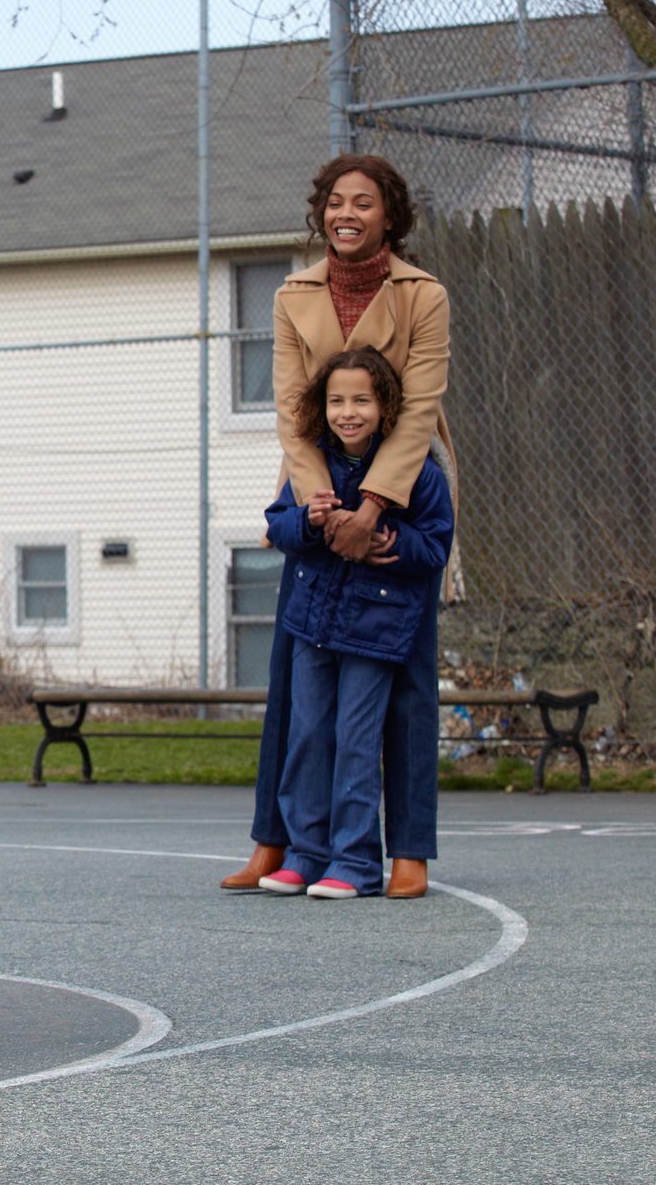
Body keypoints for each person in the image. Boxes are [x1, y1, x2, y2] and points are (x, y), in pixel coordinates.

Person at [221, 153, 456, 900]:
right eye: (334, 202)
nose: (345, 213)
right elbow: (293, 411)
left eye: (364, 202)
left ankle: (407, 849)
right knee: (298, 671)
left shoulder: (425, 295)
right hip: (319, 486)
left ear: (390, 215)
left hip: (405, 483)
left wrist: (376, 508)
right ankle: (278, 841)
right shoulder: (294, 295)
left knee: (403, 674)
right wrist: (323, 508)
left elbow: (418, 407)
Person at [255, 348, 454, 898]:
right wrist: (308, 521)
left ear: (385, 406)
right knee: (309, 734)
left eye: (362, 400)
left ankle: (356, 861)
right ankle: (305, 854)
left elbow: (435, 544)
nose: (349, 412)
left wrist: (390, 539)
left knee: (357, 740)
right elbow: (277, 527)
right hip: (312, 621)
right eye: (337, 400)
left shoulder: (415, 472)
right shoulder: (311, 465)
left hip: (375, 628)